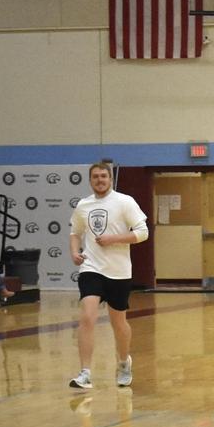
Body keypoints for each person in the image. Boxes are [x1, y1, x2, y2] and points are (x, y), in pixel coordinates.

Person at [68, 161, 149, 390]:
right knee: (87, 317)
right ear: (90, 180)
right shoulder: (83, 205)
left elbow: (143, 233)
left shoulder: (125, 202)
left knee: (118, 322)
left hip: (119, 271)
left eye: (103, 176)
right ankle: (85, 373)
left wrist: (114, 239)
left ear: (110, 179)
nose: (100, 180)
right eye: (95, 176)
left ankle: (123, 363)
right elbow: (75, 232)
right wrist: (74, 252)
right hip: (91, 268)